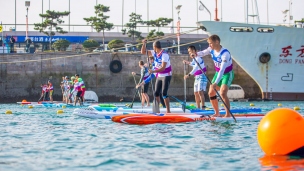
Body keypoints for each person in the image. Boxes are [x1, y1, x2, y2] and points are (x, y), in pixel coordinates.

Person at [195, 34, 234, 117]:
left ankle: (228, 115)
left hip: (227, 74)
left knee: (223, 93)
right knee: (211, 93)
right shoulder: (211, 49)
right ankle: (217, 113)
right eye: (209, 43)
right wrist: (196, 54)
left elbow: (222, 70)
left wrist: (216, 83)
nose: (209, 45)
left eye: (211, 43)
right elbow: (202, 53)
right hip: (217, 73)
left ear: (217, 42)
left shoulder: (225, 53)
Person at [141, 40, 172, 113]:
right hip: (159, 75)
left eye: (153, 47)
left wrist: (153, 71)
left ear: (155, 47)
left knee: (164, 93)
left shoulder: (164, 55)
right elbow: (143, 52)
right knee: (156, 93)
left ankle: (168, 111)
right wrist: (144, 43)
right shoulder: (154, 52)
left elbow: (163, 68)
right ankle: (157, 111)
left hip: (166, 75)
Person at [183, 45, 208, 109]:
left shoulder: (198, 58)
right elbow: (193, 64)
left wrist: (188, 75)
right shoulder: (195, 59)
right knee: (196, 93)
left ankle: (203, 107)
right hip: (197, 77)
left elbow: (196, 68)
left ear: (195, 51)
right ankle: (198, 107)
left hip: (202, 76)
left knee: (200, 92)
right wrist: (187, 62)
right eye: (189, 52)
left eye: (191, 51)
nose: (190, 53)